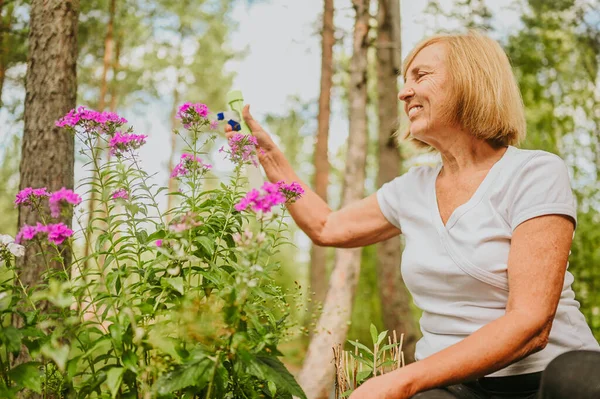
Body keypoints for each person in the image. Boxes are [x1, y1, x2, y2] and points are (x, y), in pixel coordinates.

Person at [224, 31, 600, 399]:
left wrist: (402, 380)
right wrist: (271, 159)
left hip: (549, 379)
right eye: (405, 80)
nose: (404, 92)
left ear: (472, 80)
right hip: (451, 387)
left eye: (421, 76)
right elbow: (326, 226)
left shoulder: (533, 172)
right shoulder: (410, 189)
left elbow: (531, 323)